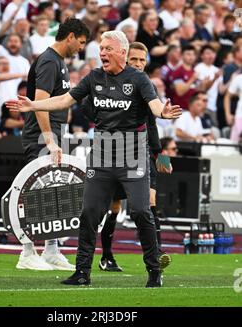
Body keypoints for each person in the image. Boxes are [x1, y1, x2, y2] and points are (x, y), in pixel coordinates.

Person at [6, 30, 181, 287]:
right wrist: (33, 105)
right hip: (101, 156)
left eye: (108, 49)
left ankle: (154, 271)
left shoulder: (140, 80)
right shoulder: (94, 77)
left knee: (142, 212)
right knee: (89, 213)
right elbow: (65, 100)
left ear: (122, 52)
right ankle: (82, 272)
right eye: (101, 49)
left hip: (132, 155)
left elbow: (155, 109)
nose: (102, 53)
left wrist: (164, 114)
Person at [79, 42, 172, 273]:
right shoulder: (107, 81)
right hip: (110, 154)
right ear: (126, 59)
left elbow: (152, 122)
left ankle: (156, 255)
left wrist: (159, 153)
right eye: (135, 60)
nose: (139, 64)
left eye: (143, 60)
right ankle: (107, 256)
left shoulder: (144, 84)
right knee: (114, 207)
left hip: (140, 152)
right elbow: (85, 103)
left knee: (148, 204)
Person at [14, 18, 89, 272]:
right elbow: (40, 103)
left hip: (55, 133)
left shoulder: (60, 62)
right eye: (80, 42)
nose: (81, 48)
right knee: (35, 192)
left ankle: (51, 250)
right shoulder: (48, 61)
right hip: (41, 135)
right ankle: (26, 252)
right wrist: (49, 139)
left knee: (55, 191)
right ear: (70, 36)